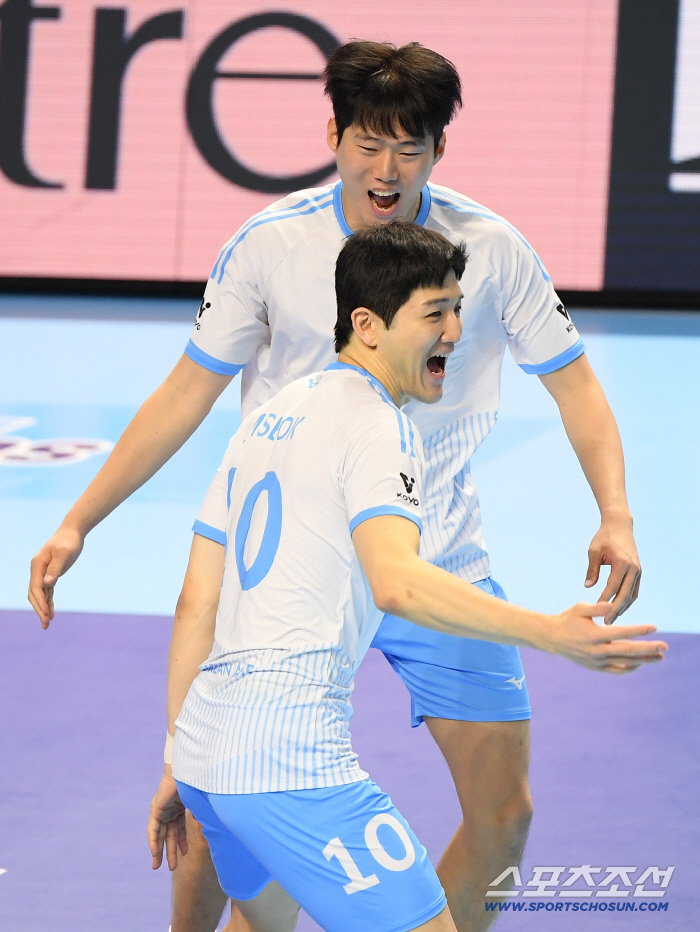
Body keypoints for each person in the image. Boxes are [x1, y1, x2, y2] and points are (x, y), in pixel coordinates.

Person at [29, 42, 642, 932]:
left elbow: (576, 383)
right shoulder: (273, 245)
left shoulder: (491, 250)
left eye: (410, 149)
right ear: (333, 135)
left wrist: (615, 514)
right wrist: (80, 519)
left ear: (439, 152)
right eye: (367, 144)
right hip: (299, 576)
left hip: (437, 566)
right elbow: (185, 392)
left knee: (506, 817)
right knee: (217, 797)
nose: (385, 170)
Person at [146, 224, 663, 932]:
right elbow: (397, 583)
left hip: (207, 755)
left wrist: (178, 757)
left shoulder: (263, 421)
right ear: (366, 325)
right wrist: (550, 634)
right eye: (434, 313)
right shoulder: (378, 427)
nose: (456, 329)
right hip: (294, 766)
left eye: (457, 307)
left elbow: (195, 603)